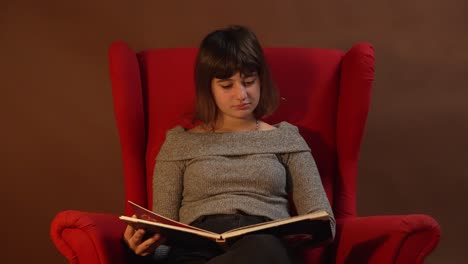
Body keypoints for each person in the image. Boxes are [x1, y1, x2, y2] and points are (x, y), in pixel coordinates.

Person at [123, 25, 335, 264]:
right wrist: (146, 245)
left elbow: (323, 221)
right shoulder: (179, 143)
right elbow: (163, 235)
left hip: (262, 243)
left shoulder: (286, 139)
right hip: (194, 247)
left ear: (260, 80)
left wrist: (303, 236)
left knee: (266, 250)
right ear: (208, 88)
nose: (241, 94)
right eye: (227, 86)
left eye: (249, 81)